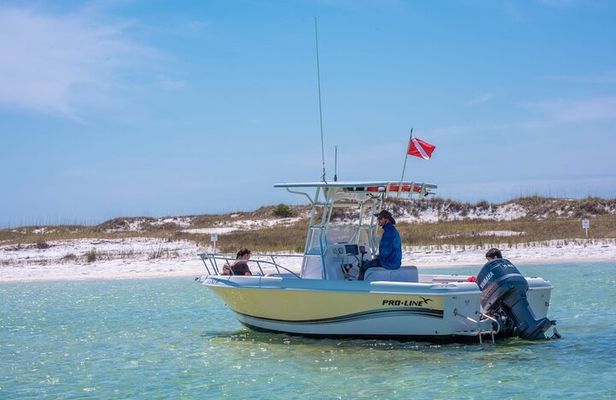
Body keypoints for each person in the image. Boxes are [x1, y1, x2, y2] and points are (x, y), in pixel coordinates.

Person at [358, 210, 402, 280]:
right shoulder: (390, 229)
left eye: (380, 218)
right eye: (378, 218)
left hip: (389, 262)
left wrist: (378, 258)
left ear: (387, 219)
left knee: (364, 266)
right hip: (393, 261)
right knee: (369, 262)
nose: (378, 220)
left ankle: (360, 287)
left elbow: (386, 250)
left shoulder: (389, 231)